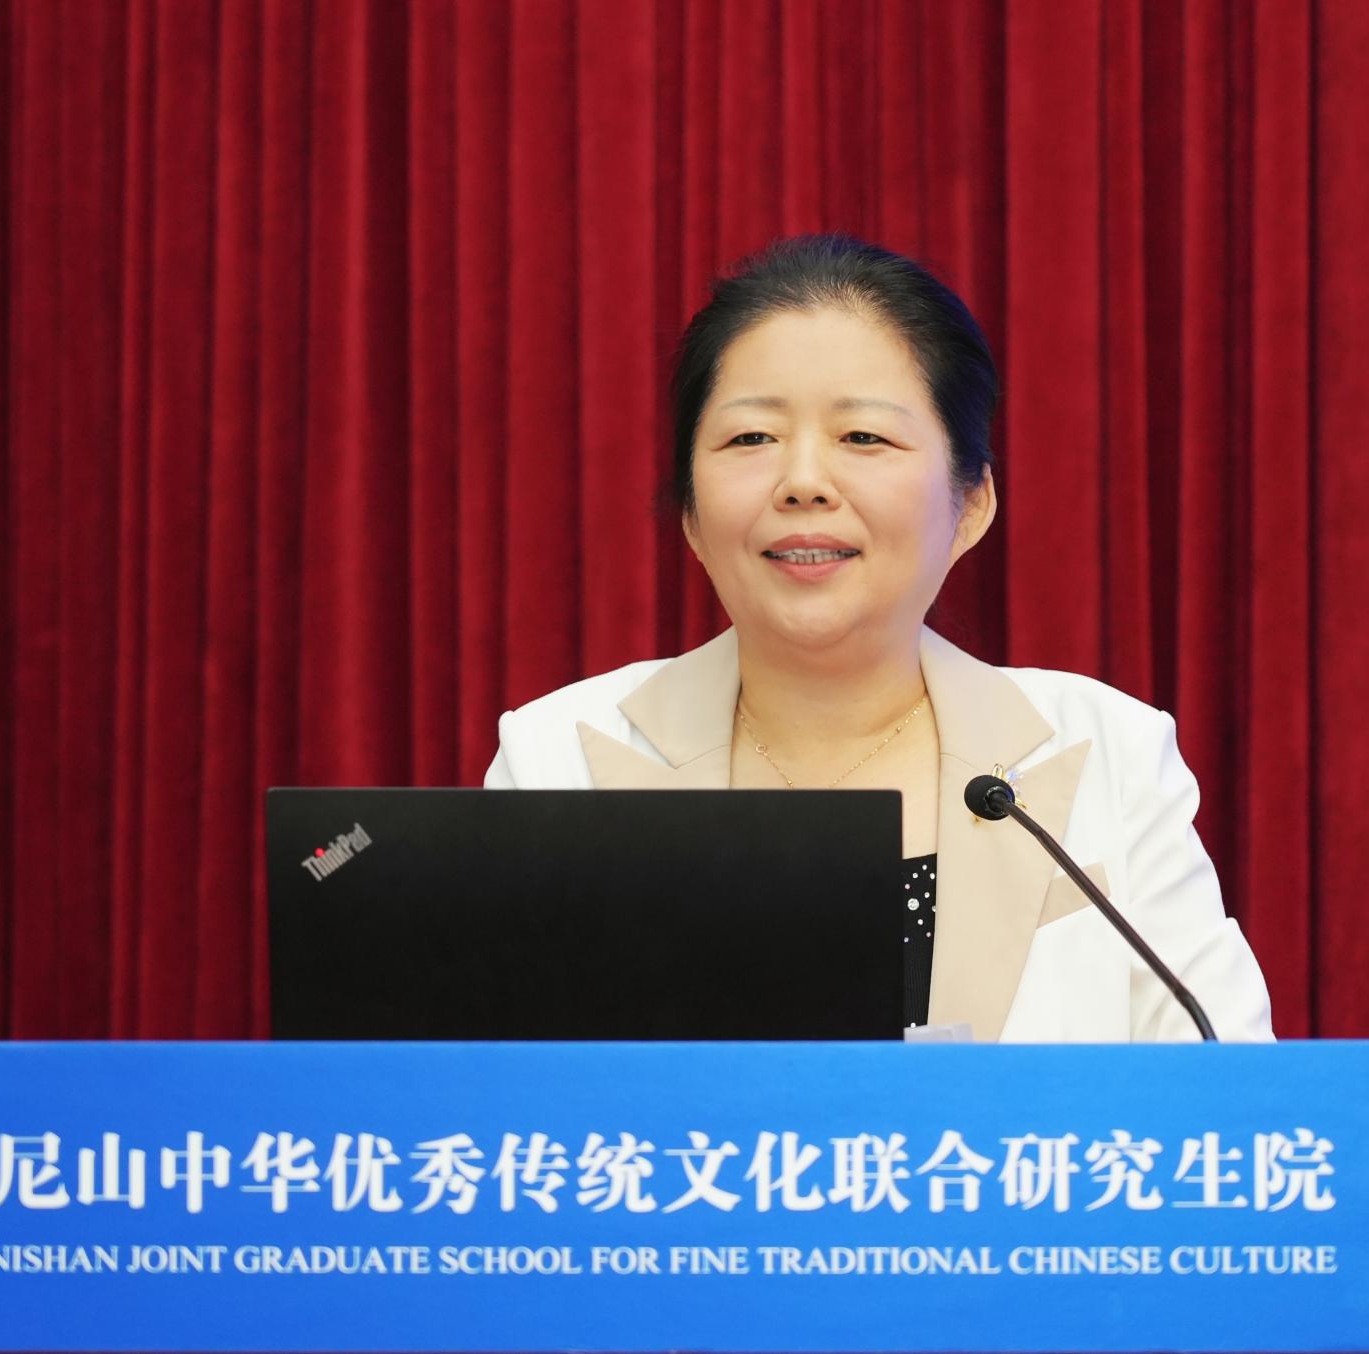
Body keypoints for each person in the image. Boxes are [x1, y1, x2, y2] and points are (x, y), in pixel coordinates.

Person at [484, 234, 1271, 1043]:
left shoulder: (1112, 755)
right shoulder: (557, 763)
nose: (802, 483)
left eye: (863, 437)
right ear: (689, 512)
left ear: (969, 505)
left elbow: (1229, 1090)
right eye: (751, 438)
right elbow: (490, 1093)